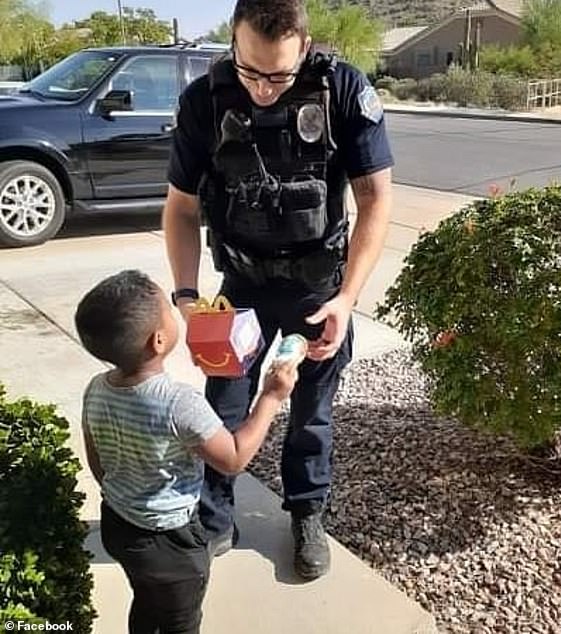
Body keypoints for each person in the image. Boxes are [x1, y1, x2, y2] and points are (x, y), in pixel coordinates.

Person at [163, 0, 393, 580]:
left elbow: (375, 200)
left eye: (280, 75)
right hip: (241, 286)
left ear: (306, 48)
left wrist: (347, 298)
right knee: (223, 406)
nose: (263, 88)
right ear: (232, 45)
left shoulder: (342, 90)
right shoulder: (205, 100)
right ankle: (215, 518)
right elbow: (182, 207)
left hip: (319, 288)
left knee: (312, 411)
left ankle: (307, 513)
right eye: (250, 70)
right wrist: (187, 297)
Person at [75, 269, 298, 634]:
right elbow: (234, 458)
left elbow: (97, 461)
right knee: (180, 620)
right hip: (171, 542)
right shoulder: (179, 403)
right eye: (168, 307)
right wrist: (271, 397)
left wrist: (127, 494)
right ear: (159, 340)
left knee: (146, 598)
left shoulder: (95, 388)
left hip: (118, 524)